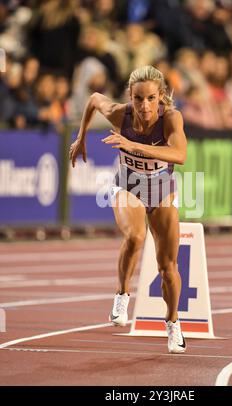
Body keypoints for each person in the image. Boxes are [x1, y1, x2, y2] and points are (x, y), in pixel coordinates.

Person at [69, 65, 187, 353]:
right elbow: (95, 98)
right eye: (137, 99)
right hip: (128, 185)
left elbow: (179, 155)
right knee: (135, 237)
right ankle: (122, 294)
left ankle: (172, 323)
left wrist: (134, 147)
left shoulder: (171, 118)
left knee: (167, 267)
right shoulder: (121, 114)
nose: (144, 106)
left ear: (161, 97)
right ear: (130, 97)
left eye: (150, 99)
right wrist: (81, 137)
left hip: (160, 191)